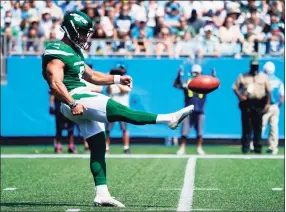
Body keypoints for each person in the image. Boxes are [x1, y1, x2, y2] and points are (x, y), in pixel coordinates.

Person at [42, 11, 194, 207]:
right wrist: (72, 102)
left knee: (97, 147)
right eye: (82, 32)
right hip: (75, 97)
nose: (85, 37)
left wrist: (116, 78)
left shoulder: (75, 51)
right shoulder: (56, 51)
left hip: (77, 98)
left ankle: (102, 194)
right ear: (71, 29)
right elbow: (55, 83)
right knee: (122, 111)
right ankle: (169, 119)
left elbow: (91, 75)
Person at [233, 57, 271, 154]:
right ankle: (245, 147)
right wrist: (240, 96)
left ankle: (257, 147)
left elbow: (268, 91)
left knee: (258, 127)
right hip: (247, 103)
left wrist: (267, 104)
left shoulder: (263, 77)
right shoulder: (243, 76)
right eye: (253, 66)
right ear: (250, 66)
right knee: (246, 127)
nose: (254, 68)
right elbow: (235, 88)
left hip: (259, 103)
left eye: (256, 66)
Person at [174, 64, 211, 155]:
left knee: (200, 132)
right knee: (184, 132)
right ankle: (182, 148)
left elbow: (214, 86)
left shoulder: (204, 83)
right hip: (188, 110)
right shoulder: (187, 82)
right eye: (194, 73)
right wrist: (178, 76)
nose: (196, 75)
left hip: (200, 110)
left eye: (197, 73)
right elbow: (176, 85)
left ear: (201, 73)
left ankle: (199, 148)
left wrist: (214, 77)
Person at [258, 62, 284, 154]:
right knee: (274, 127)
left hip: (265, 106)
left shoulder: (264, 80)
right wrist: (278, 106)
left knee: (261, 126)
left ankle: (255, 144)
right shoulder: (278, 81)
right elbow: (282, 96)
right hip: (275, 106)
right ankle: (273, 147)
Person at [106, 65, 131, 154]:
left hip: (123, 107)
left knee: (124, 128)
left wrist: (117, 81)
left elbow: (125, 90)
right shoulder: (112, 81)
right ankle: (106, 147)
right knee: (108, 129)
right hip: (112, 107)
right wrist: (110, 80)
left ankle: (126, 147)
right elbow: (108, 91)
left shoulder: (128, 79)